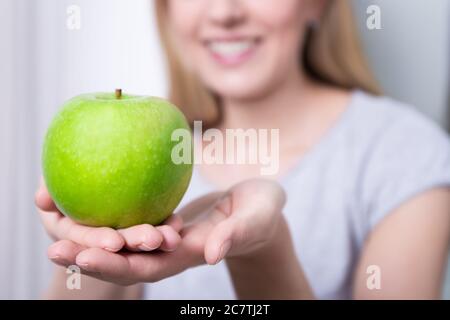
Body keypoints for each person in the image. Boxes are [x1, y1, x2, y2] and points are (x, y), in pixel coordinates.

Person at [35, 0, 450, 299]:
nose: (224, 12)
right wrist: (91, 240)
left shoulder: (406, 153)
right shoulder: (155, 154)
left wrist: (263, 252)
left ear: (318, 6)